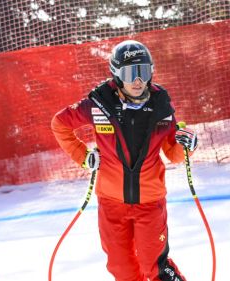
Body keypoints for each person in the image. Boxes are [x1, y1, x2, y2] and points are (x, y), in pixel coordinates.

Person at [51, 40, 197, 281]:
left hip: (149, 203)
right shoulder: (98, 104)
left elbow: (173, 153)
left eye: (144, 71)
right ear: (116, 74)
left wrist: (187, 144)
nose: (138, 80)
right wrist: (84, 157)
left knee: (155, 267)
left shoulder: (161, 107)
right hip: (111, 204)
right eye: (130, 73)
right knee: (122, 270)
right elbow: (60, 123)